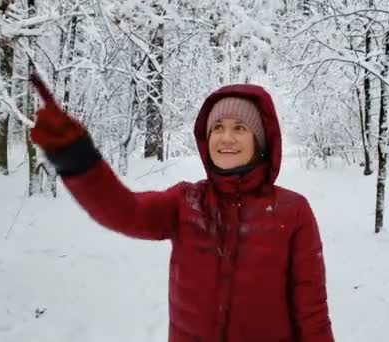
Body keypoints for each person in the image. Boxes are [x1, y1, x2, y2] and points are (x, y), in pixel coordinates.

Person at [29, 73, 335, 342]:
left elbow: (312, 313)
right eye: (217, 127)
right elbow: (125, 210)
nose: (226, 137)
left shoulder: (293, 212)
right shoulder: (186, 202)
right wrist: (76, 158)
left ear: (261, 141)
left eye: (240, 128)